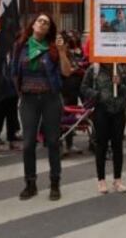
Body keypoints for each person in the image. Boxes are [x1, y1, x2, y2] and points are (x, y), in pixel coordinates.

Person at [9, 13, 73, 201]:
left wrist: (62, 52)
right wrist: (20, 93)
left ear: (49, 29)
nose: (43, 24)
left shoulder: (53, 48)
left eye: (46, 23)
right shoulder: (21, 46)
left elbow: (67, 72)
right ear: (33, 24)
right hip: (29, 100)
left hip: (50, 99)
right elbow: (13, 72)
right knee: (28, 143)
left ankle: (55, 183)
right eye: (40, 21)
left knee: (53, 142)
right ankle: (30, 184)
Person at [81, 62, 126, 194]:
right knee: (101, 145)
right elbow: (84, 88)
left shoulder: (121, 68)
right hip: (101, 111)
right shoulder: (94, 69)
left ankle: (117, 179)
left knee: (117, 145)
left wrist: (120, 84)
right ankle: (101, 180)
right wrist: (96, 94)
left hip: (119, 112)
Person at [60, 29, 88, 153]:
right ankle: (64, 143)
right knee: (65, 116)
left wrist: (80, 66)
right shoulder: (61, 53)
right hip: (66, 87)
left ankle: (70, 143)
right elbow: (65, 69)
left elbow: (82, 62)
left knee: (84, 111)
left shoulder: (78, 51)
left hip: (80, 84)